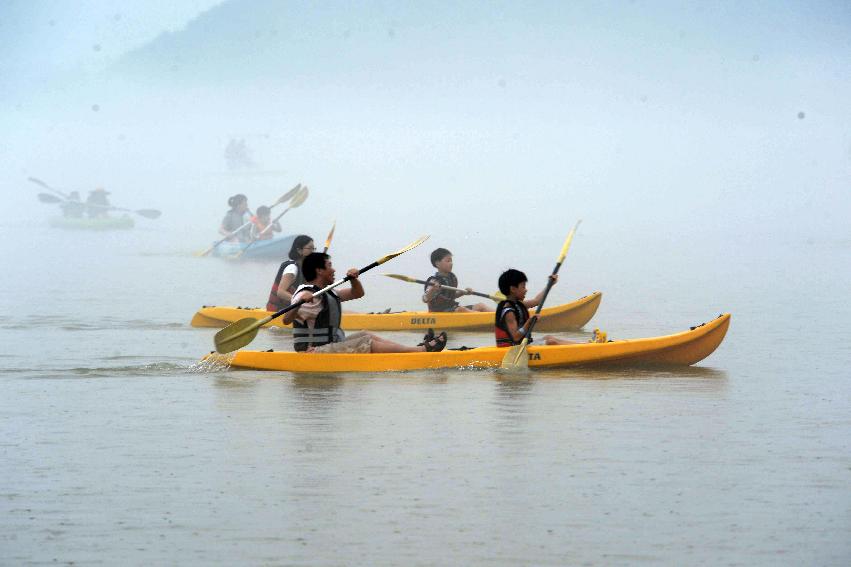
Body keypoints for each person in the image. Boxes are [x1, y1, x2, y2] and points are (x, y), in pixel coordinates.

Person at [283, 252, 448, 353]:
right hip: (312, 352)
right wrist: (298, 304)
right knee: (365, 342)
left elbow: (357, 293)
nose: (333, 270)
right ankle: (421, 351)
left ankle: (414, 349)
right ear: (319, 270)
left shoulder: (328, 291)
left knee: (365, 334)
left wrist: (354, 280)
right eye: (330, 266)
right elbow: (286, 320)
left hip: (330, 345)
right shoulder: (305, 293)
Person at [494, 268, 577, 347]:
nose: (526, 290)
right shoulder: (509, 312)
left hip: (522, 345)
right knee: (551, 342)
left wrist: (550, 285)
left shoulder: (518, 305)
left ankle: (584, 345)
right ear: (513, 289)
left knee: (548, 337)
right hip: (512, 349)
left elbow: (537, 301)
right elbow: (515, 337)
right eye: (523, 287)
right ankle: (586, 348)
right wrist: (528, 323)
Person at [422, 248, 490, 312]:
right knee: (461, 310)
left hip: (452, 308)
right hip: (438, 311)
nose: (451, 263)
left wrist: (463, 292)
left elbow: (450, 296)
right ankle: (487, 318)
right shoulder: (434, 281)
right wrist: (432, 290)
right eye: (448, 261)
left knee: (481, 306)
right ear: (437, 263)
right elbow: (425, 299)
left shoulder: (452, 278)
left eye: (451, 261)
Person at [266, 235, 314, 311]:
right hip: (278, 311)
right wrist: (298, 300)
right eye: (309, 248)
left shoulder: (305, 269)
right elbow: (280, 292)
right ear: (299, 250)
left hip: (292, 310)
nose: (313, 251)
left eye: (313, 249)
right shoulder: (292, 268)